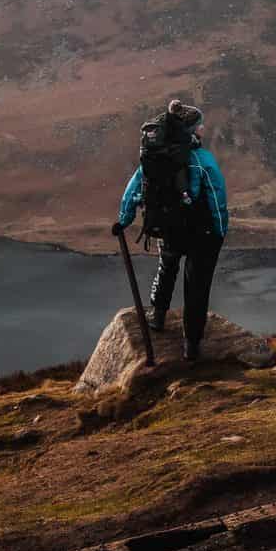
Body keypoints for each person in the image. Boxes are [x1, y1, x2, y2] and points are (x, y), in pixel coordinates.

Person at [111, 99, 230, 362]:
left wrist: (123, 220)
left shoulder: (155, 159)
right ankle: (191, 344)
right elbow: (216, 197)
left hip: (168, 229)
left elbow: (133, 191)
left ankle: (158, 316)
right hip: (201, 234)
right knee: (197, 287)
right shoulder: (202, 159)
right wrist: (220, 231)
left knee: (167, 267)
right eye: (200, 125)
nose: (204, 128)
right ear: (191, 131)